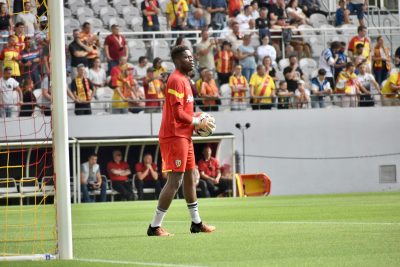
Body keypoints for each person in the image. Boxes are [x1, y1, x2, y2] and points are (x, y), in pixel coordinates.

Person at [147, 45, 216, 236]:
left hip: (184, 135)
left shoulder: (185, 80)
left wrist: (198, 116)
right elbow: (177, 114)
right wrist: (195, 120)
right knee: (175, 181)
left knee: (189, 178)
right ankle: (154, 227)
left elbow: (184, 111)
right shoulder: (176, 80)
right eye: (187, 57)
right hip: (174, 135)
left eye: (191, 57)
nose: (191, 59)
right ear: (178, 61)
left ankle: (196, 223)